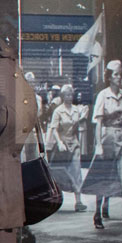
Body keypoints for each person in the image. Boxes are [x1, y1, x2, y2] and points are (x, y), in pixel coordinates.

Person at [85, 60, 122, 232]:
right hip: (107, 138)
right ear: (109, 77)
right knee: (103, 176)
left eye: (120, 74)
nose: (119, 77)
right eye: (115, 74)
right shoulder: (103, 95)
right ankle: (98, 213)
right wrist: (99, 144)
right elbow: (98, 122)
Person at [46, 82, 87, 212]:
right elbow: (54, 128)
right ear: (63, 96)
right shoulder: (58, 110)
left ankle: (78, 201)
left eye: (71, 94)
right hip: (62, 145)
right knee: (59, 172)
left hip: (74, 143)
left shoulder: (76, 109)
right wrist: (59, 142)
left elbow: (78, 125)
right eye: (67, 94)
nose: (69, 97)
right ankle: (54, 199)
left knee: (76, 171)